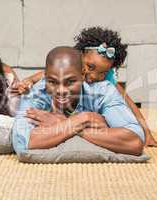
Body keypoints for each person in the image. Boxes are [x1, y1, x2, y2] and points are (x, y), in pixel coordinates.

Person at [12, 26, 157, 147]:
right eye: (90, 67)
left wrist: (146, 133)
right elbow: (47, 75)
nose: (92, 76)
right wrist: (29, 81)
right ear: (80, 57)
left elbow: (127, 101)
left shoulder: (104, 84)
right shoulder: (63, 71)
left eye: (102, 73)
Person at [12, 46, 145, 156]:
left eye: (70, 82)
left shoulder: (103, 91)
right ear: (45, 77)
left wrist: (65, 124)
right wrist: (85, 120)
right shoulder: (35, 93)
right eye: (52, 82)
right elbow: (23, 142)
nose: (61, 90)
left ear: (82, 75)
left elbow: (134, 141)